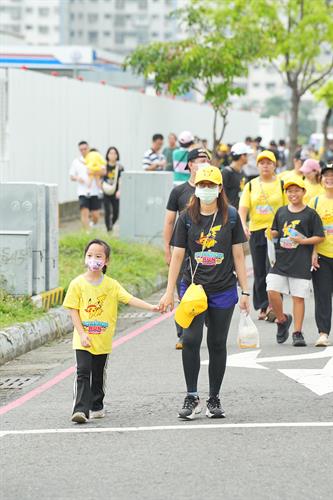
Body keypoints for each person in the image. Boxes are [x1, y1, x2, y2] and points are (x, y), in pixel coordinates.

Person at [160, 166, 250, 420]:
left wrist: (246, 291)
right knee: (190, 339)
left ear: (220, 188)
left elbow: (238, 255)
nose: (207, 189)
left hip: (223, 290)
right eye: (203, 185)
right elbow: (178, 254)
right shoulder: (187, 217)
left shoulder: (230, 216)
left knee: (217, 343)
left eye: (212, 185)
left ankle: (214, 398)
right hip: (193, 289)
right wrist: (169, 292)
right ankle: (191, 396)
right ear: (196, 187)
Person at [63, 239, 160, 424]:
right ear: (85, 258)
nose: (94, 260)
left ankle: (96, 405)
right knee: (83, 371)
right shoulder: (77, 284)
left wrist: (152, 307)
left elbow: (129, 299)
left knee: (98, 373)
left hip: (103, 339)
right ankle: (80, 410)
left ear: (106, 261)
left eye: (98, 256)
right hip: (83, 339)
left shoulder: (111, 285)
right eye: (90, 255)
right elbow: (73, 310)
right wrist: (82, 333)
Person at [266, 178, 324, 347]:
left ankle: (297, 333)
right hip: (281, 260)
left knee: (298, 298)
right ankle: (282, 320)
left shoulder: (311, 214)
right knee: (271, 290)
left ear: (303, 192)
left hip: (301, 261)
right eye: (290, 191)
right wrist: (270, 233)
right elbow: (276, 230)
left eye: (296, 190)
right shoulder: (281, 211)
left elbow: (320, 236)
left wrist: (302, 241)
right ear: (286, 193)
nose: (293, 194)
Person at [163, 147, 211, 349]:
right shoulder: (179, 191)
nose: (204, 163)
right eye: (200, 160)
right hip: (183, 250)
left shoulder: (214, 188)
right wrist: (168, 248)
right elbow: (169, 222)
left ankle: (208, 326)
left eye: (207, 159)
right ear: (190, 164)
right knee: (184, 290)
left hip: (209, 251)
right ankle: (183, 333)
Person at [239, 150, 286, 320]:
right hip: (257, 231)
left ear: (275, 165)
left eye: (269, 163)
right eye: (262, 163)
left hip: (275, 233)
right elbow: (243, 209)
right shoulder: (251, 185)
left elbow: (288, 209)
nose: (265, 166)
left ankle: (275, 305)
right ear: (258, 165)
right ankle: (263, 306)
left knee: (274, 269)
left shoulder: (281, 184)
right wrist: (243, 225)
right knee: (259, 270)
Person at [309, 164, 333, 347]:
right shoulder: (315, 202)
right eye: (326, 175)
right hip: (323, 256)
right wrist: (313, 252)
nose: (329, 178)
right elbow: (310, 230)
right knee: (323, 296)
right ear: (321, 179)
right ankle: (323, 333)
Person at [69, 141, 103, 230]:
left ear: (88, 148)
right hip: (82, 191)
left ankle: (92, 224)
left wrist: (94, 172)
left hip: (94, 191)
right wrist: (77, 178)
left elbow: (103, 171)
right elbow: (71, 176)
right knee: (84, 212)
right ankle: (86, 232)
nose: (83, 151)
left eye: (85, 149)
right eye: (81, 150)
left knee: (96, 215)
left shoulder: (95, 159)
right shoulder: (76, 162)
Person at [102, 147, 124, 232]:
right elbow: (100, 178)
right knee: (107, 211)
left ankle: (112, 223)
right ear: (107, 155)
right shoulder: (104, 167)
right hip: (105, 191)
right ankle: (109, 229)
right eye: (110, 153)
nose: (112, 155)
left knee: (116, 211)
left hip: (115, 192)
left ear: (117, 155)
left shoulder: (120, 167)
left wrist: (119, 190)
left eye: (114, 153)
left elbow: (121, 180)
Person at [222, 142, 250, 208]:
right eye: (247, 155)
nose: (248, 157)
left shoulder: (243, 172)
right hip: (230, 213)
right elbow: (222, 194)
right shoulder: (226, 172)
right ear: (242, 156)